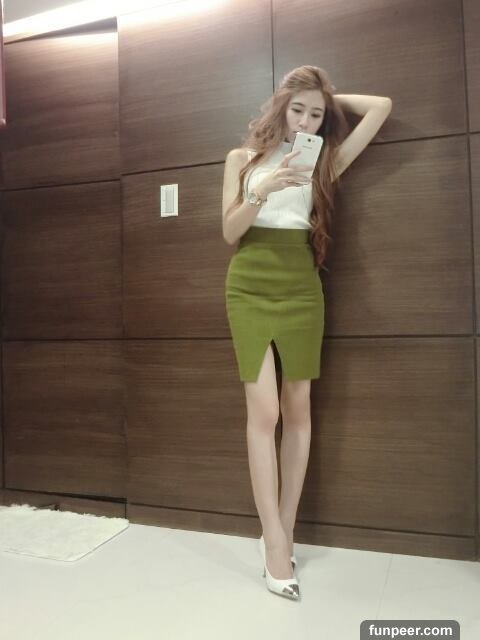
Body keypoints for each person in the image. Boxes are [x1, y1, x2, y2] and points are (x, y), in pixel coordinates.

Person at [222, 65, 392, 600]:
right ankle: (273, 539)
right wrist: (262, 189)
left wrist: (327, 95)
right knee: (264, 413)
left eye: (316, 114)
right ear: (280, 107)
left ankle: (284, 531)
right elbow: (228, 232)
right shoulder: (241, 159)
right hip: (249, 286)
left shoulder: (324, 162)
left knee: (298, 410)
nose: (305, 120)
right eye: (297, 109)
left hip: (301, 287)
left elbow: (381, 107)